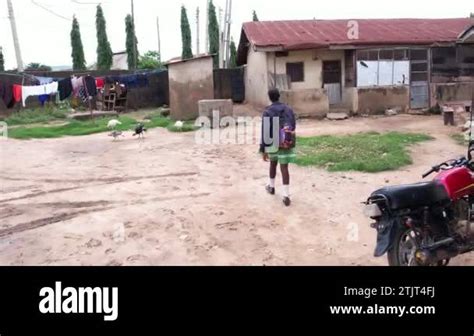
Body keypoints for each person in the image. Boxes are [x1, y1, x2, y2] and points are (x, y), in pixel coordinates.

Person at [259, 88, 297, 207]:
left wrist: (263, 149)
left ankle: (271, 187)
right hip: (286, 141)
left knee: (273, 164)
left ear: (269, 97)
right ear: (279, 96)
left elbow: (265, 131)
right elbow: (293, 125)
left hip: (273, 141)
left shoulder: (267, 111)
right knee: (284, 168)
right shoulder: (288, 109)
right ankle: (286, 195)